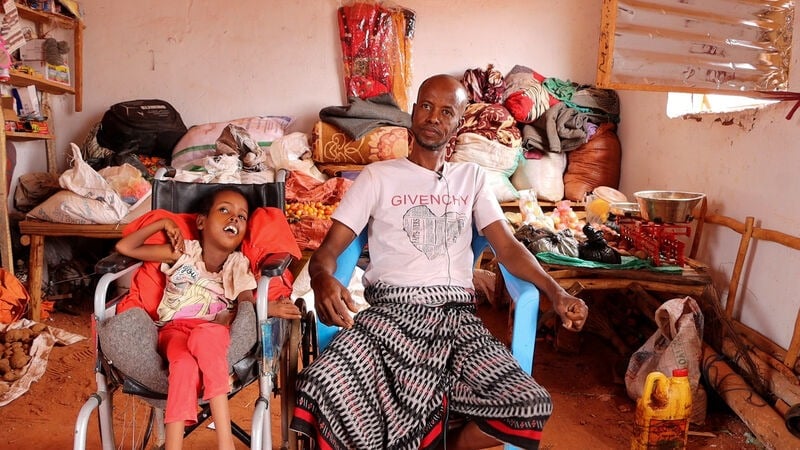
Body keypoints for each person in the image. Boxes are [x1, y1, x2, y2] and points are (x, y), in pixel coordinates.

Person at [290, 74, 589, 450]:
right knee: (322, 383)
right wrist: (321, 278)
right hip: (388, 318)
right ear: (414, 112)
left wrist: (556, 292)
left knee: (528, 404)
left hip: (455, 321)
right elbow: (327, 253)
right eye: (427, 106)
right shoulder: (377, 178)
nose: (434, 117)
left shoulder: (471, 179)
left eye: (447, 111)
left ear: (459, 123)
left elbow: (508, 248)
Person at [115, 187, 301, 450]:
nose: (234, 218)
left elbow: (246, 305)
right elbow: (125, 247)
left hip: (214, 331)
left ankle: (225, 442)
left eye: (241, 216)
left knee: (206, 335)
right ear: (201, 222)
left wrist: (268, 307)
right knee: (183, 365)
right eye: (224, 210)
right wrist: (163, 223)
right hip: (174, 331)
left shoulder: (239, 265)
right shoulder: (182, 253)